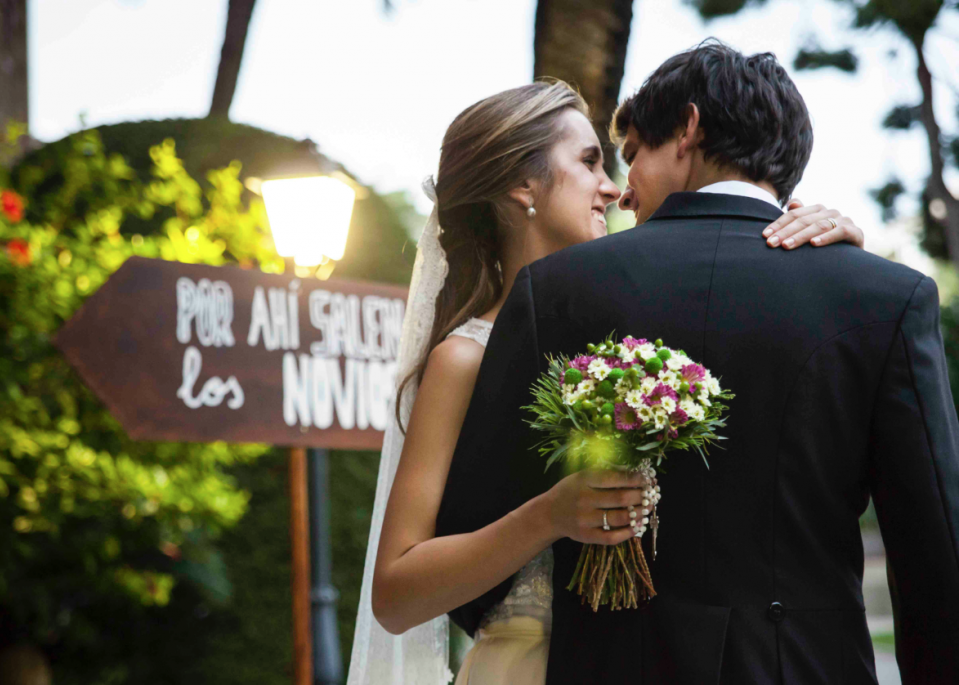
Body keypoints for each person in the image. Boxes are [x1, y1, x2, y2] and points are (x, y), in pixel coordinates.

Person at [437, 41, 959, 684]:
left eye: (633, 157)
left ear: (686, 129)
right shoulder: (888, 296)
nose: (625, 193)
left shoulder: (555, 289)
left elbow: (472, 549)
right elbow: (936, 555)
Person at [347, 75, 866, 685]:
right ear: (522, 185)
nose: (613, 187)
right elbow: (396, 593)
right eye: (590, 161)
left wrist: (840, 261)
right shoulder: (464, 358)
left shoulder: (648, 332)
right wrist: (547, 516)